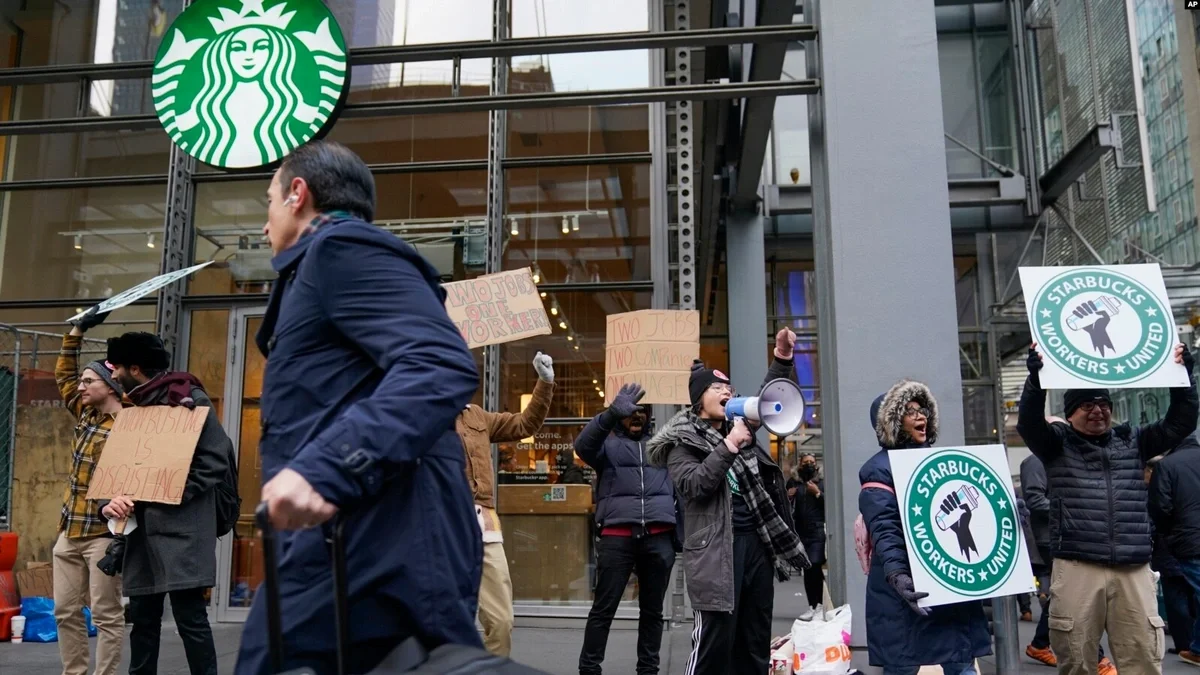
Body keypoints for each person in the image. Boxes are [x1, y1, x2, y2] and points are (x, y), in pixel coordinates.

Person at [234, 141, 481, 675]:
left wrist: (324, 471)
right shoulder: (325, 264)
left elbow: (440, 364)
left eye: (268, 202)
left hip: (379, 543)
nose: (263, 225)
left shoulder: (342, 250)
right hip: (346, 541)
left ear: (298, 194)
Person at [1019, 342, 1198, 675]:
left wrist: (1183, 375)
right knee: (1076, 659)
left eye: (1103, 403)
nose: (1098, 410)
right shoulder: (1057, 445)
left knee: (1143, 656)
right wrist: (1035, 380)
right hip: (1077, 564)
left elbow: (1180, 422)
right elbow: (1029, 424)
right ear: (1070, 413)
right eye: (1087, 404)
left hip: (1132, 566)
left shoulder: (1135, 440)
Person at [648, 327, 809, 675]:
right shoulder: (682, 443)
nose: (726, 391)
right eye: (716, 387)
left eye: (729, 388)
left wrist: (782, 357)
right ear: (698, 399)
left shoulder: (740, 427)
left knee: (754, 641)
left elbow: (769, 398)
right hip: (716, 551)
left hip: (757, 546)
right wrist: (730, 445)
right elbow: (694, 486)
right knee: (714, 644)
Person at [100, 331, 236, 675]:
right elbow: (115, 469)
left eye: (116, 368)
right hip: (140, 533)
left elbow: (215, 460)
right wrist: (109, 500)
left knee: (190, 618)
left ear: (135, 367)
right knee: (143, 620)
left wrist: (172, 488)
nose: (112, 375)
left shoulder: (189, 399)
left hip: (183, 529)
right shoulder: (132, 408)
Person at [859, 379, 992, 675]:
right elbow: (884, 528)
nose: (921, 417)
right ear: (891, 422)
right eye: (909, 411)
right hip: (905, 588)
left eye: (923, 410)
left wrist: (1002, 513)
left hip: (945, 581)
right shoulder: (878, 469)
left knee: (960, 661)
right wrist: (897, 574)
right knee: (903, 665)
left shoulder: (941, 463)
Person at [456, 352, 555, 656]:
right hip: (443, 527)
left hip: (485, 527)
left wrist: (544, 383)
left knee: (500, 622)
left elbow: (524, 424)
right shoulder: (420, 415)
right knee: (444, 625)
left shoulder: (477, 416)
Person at [575, 381, 676, 675]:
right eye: (630, 411)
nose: (637, 416)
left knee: (653, 612)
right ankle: (589, 669)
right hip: (617, 538)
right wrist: (607, 415)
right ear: (620, 414)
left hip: (658, 539)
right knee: (603, 610)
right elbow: (582, 445)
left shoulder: (662, 444)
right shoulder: (606, 444)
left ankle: (648, 670)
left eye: (641, 411)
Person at [51, 310, 125, 675]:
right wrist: (77, 330)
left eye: (88, 380)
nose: (80, 386)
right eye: (81, 381)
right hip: (69, 530)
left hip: (103, 534)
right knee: (64, 610)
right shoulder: (85, 413)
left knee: (107, 614)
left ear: (110, 386)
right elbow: (64, 373)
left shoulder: (130, 424)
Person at [1021, 443, 1114, 673]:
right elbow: (1035, 499)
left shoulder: (1059, 461)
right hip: (1051, 538)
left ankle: (1040, 643)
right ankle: (1096, 658)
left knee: (1063, 594)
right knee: (1075, 593)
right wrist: (1072, 509)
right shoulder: (1036, 461)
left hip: (1064, 534)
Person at [1148, 435, 1200, 663]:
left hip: (1188, 538)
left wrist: (1169, 534)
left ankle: (1197, 648)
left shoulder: (1167, 465)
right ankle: (1197, 648)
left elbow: (1161, 507)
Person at [793, 452, 826, 620]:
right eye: (805, 462)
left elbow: (829, 505)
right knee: (807, 569)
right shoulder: (795, 484)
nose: (809, 464)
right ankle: (812, 606)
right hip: (801, 533)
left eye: (811, 462)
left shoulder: (821, 484)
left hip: (817, 532)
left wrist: (818, 493)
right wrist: (788, 497)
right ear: (800, 465)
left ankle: (819, 605)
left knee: (814, 565)